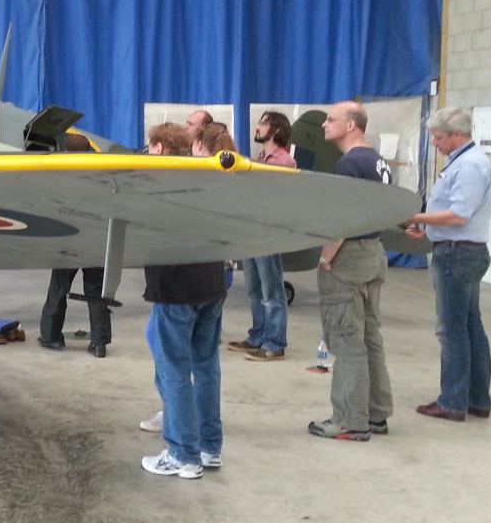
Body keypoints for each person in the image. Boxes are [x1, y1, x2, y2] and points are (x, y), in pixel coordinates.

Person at [139, 123, 226, 480]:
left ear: (159, 148)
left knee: (172, 369)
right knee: (206, 368)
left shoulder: (155, 182)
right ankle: (209, 447)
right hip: (212, 281)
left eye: (150, 147)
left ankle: (182, 454)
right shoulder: (205, 176)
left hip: (175, 286)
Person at [401, 107, 491, 423]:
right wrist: (426, 226)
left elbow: (458, 215)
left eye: (439, 138)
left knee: (452, 330)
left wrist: (414, 216)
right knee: (469, 325)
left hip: (457, 256)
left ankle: (453, 402)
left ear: (456, 134)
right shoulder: (463, 162)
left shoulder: (469, 166)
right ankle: (476, 399)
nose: (435, 143)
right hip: (462, 251)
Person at [307, 101, 394, 441]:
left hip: (349, 257)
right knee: (370, 336)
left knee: (346, 340)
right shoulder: (377, 161)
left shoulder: (349, 164)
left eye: (331, 119)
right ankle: (375, 413)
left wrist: (326, 258)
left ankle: (349, 419)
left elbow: (342, 220)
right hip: (373, 252)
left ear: (351, 126)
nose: (324, 124)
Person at [227, 112, 298, 362]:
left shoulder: (284, 161)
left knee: (272, 293)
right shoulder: (261, 159)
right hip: (253, 233)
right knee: (254, 290)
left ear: (276, 131)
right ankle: (257, 335)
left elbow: (274, 200)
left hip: (268, 234)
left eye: (263, 123)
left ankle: (275, 344)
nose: (257, 127)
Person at [39, 134, 111, 358]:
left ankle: (51, 337)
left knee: (59, 288)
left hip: (69, 240)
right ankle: (99, 343)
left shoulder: (60, 174)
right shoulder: (102, 173)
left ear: (66, 150)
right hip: (96, 240)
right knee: (97, 291)